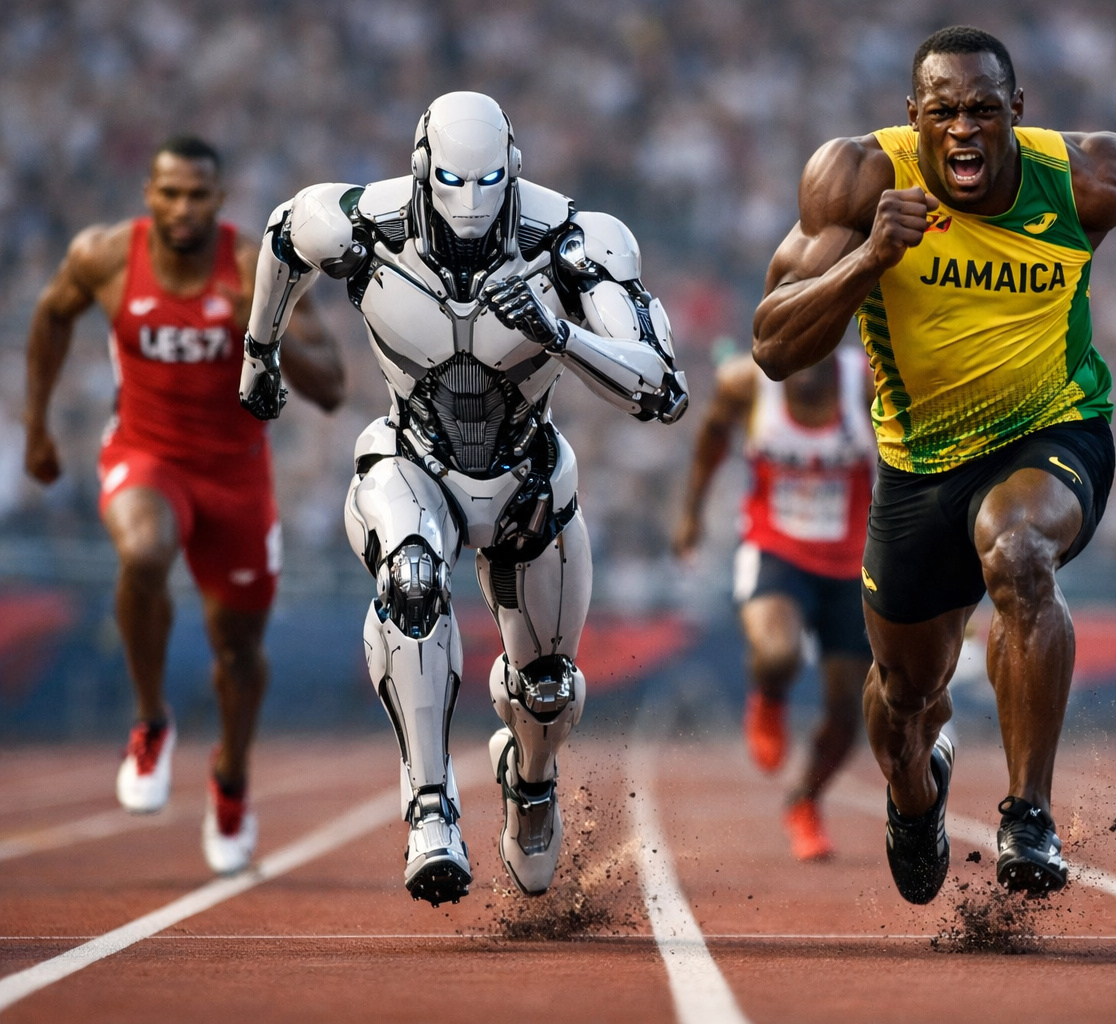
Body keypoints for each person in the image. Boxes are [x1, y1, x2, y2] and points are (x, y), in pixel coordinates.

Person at [753, 26, 1116, 904]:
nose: (964, 130)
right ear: (914, 115)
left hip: (1052, 431)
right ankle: (915, 796)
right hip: (920, 466)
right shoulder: (860, 178)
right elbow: (774, 347)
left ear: (1016, 110)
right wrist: (870, 257)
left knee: (1019, 554)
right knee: (904, 698)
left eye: (983, 110)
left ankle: (1029, 815)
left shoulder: (1082, 177)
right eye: (943, 112)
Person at [239, 91, 689, 905]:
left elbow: (661, 388)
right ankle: (430, 809)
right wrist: (258, 351)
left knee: (546, 689)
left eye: (488, 186)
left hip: (528, 479)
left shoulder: (573, 241)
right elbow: (282, 237)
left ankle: (531, 779)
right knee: (410, 581)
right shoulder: (359, 223)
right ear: (423, 172)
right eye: (453, 184)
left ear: (513, 172)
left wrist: (560, 333)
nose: (472, 211)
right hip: (413, 458)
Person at [22, 135, 344, 875]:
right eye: (170, 193)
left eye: (198, 194)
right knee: (142, 552)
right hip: (146, 455)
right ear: (149, 194)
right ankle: (151, 722)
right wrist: (36, 427)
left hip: (236, 477)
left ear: (219, 200)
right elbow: (51, 314)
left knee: (239, 654)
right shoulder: (105, 256)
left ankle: (230, 779)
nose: (183, 208)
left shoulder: (256, 269)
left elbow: (331, 386)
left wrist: (259, 330)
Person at [674, 346, 874, 860]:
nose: (802, 378)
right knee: (777, 653)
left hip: (852, 562)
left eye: (813, 361)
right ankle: (770, 697)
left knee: (848, 711)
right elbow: (712, 439)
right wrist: (692, 514)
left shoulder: (867, 384)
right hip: (775, 549)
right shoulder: (745, 382)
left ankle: (805, 800)